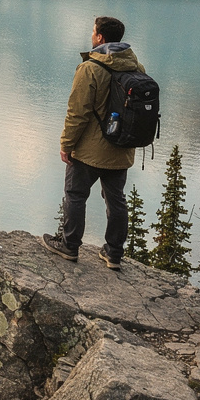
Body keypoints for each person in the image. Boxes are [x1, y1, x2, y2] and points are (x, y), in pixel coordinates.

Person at [42, 15, 140, 269]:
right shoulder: (135, 67)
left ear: (100, 38)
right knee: (116, 199)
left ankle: (70, 246)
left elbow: (78, 111)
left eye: (93, 32)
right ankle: (114, 253)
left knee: (75, 195)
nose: (91, 35)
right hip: (121, 148)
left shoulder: (91, 68)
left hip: (89, 151)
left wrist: (66, 143)